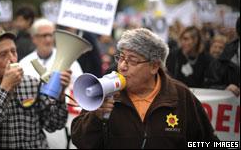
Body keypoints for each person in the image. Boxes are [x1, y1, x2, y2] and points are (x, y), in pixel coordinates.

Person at [71, 28, 219, 149]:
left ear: (154, 66)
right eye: (121, 57)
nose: (122, 66)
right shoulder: (106, 92)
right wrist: (95, 117)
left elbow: (208, 142)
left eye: (132, 60)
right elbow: (80, 141)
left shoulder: (180, 95)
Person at [0, 27, 71, 148]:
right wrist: (5, 87)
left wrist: (60, 95)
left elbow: (54, 125)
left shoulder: (32, 83)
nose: (11, 58)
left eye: (13, 51)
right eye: (3, 54)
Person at [19, 18, 83, 86]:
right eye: (44, 36)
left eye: (51, 35)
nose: (48, 40)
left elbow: (80, 86)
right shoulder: (24, 63)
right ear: (34, 38)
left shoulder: (68, 60)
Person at [205, 17, 240, 96]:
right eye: (215, 46)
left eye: (220, 48)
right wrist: (225, 88)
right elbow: (209, 85)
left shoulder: (227, 61)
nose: (217, 50)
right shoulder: (212, 62)